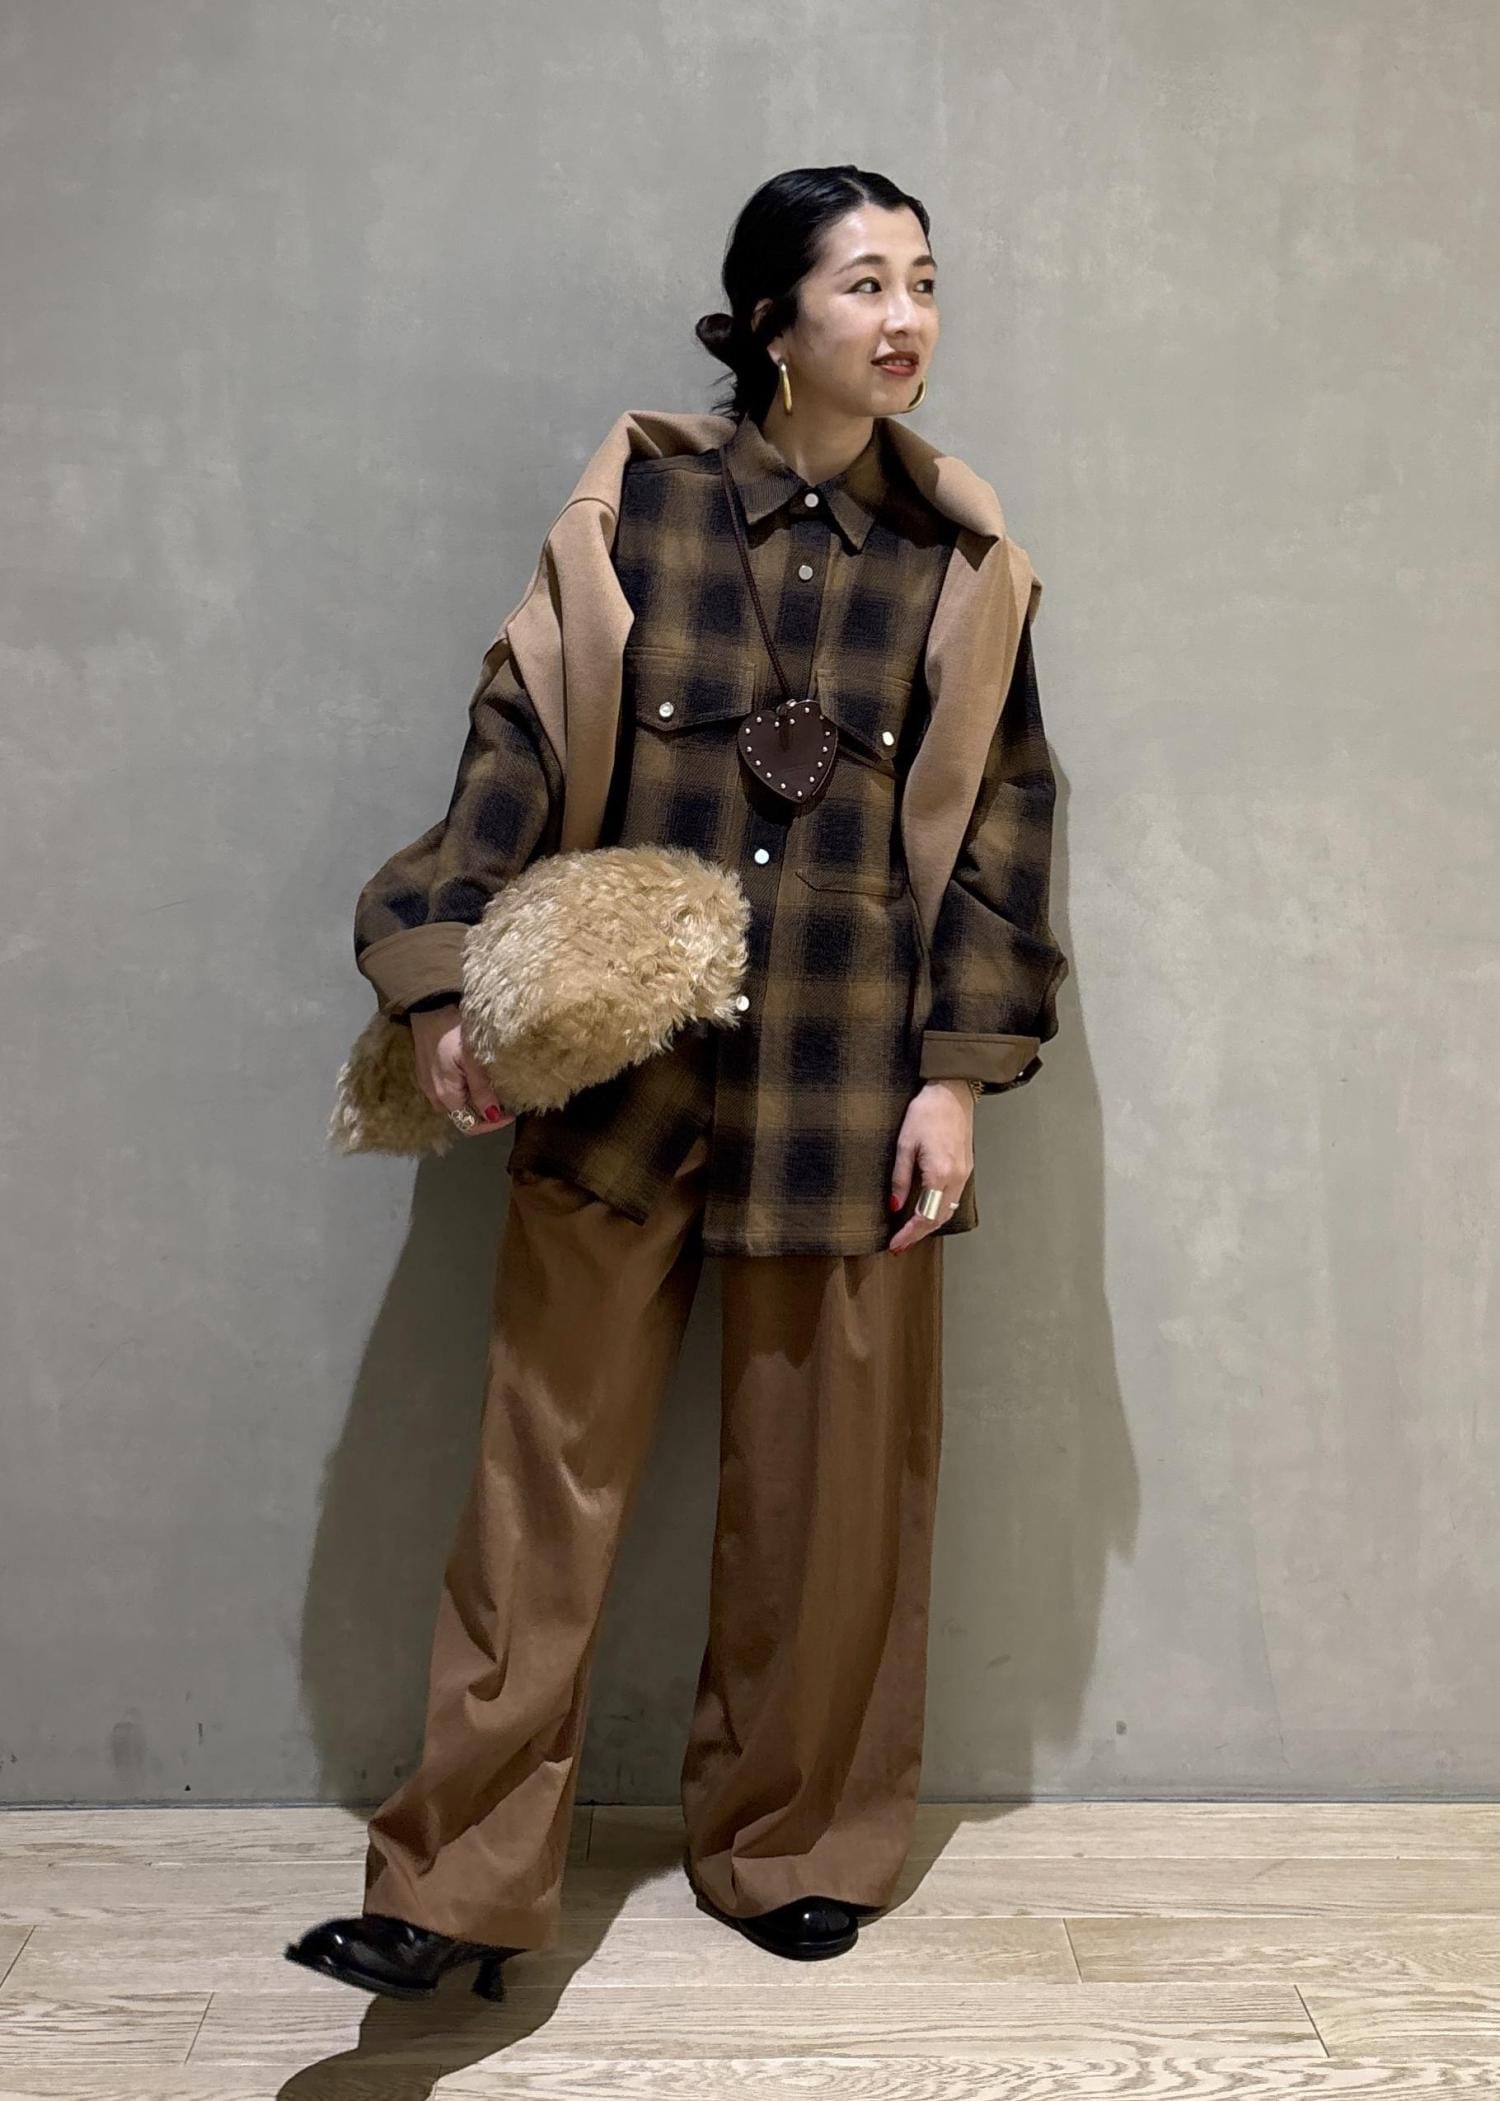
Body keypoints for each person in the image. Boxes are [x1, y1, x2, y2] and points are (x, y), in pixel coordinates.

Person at [286, 164, 1067, 2004]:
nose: (906, 318)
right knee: (535, 1493)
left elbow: (1007, 836)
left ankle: (791, 1844)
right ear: (770, 318)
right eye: (864, 282)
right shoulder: (637, 513)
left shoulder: (961, 571)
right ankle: (457, 1890)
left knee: (831, 1502)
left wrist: (957, 1075)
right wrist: (443, 974)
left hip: (848, 1091)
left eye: (926, 281)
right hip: (622, 1075)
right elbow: (513, 736)